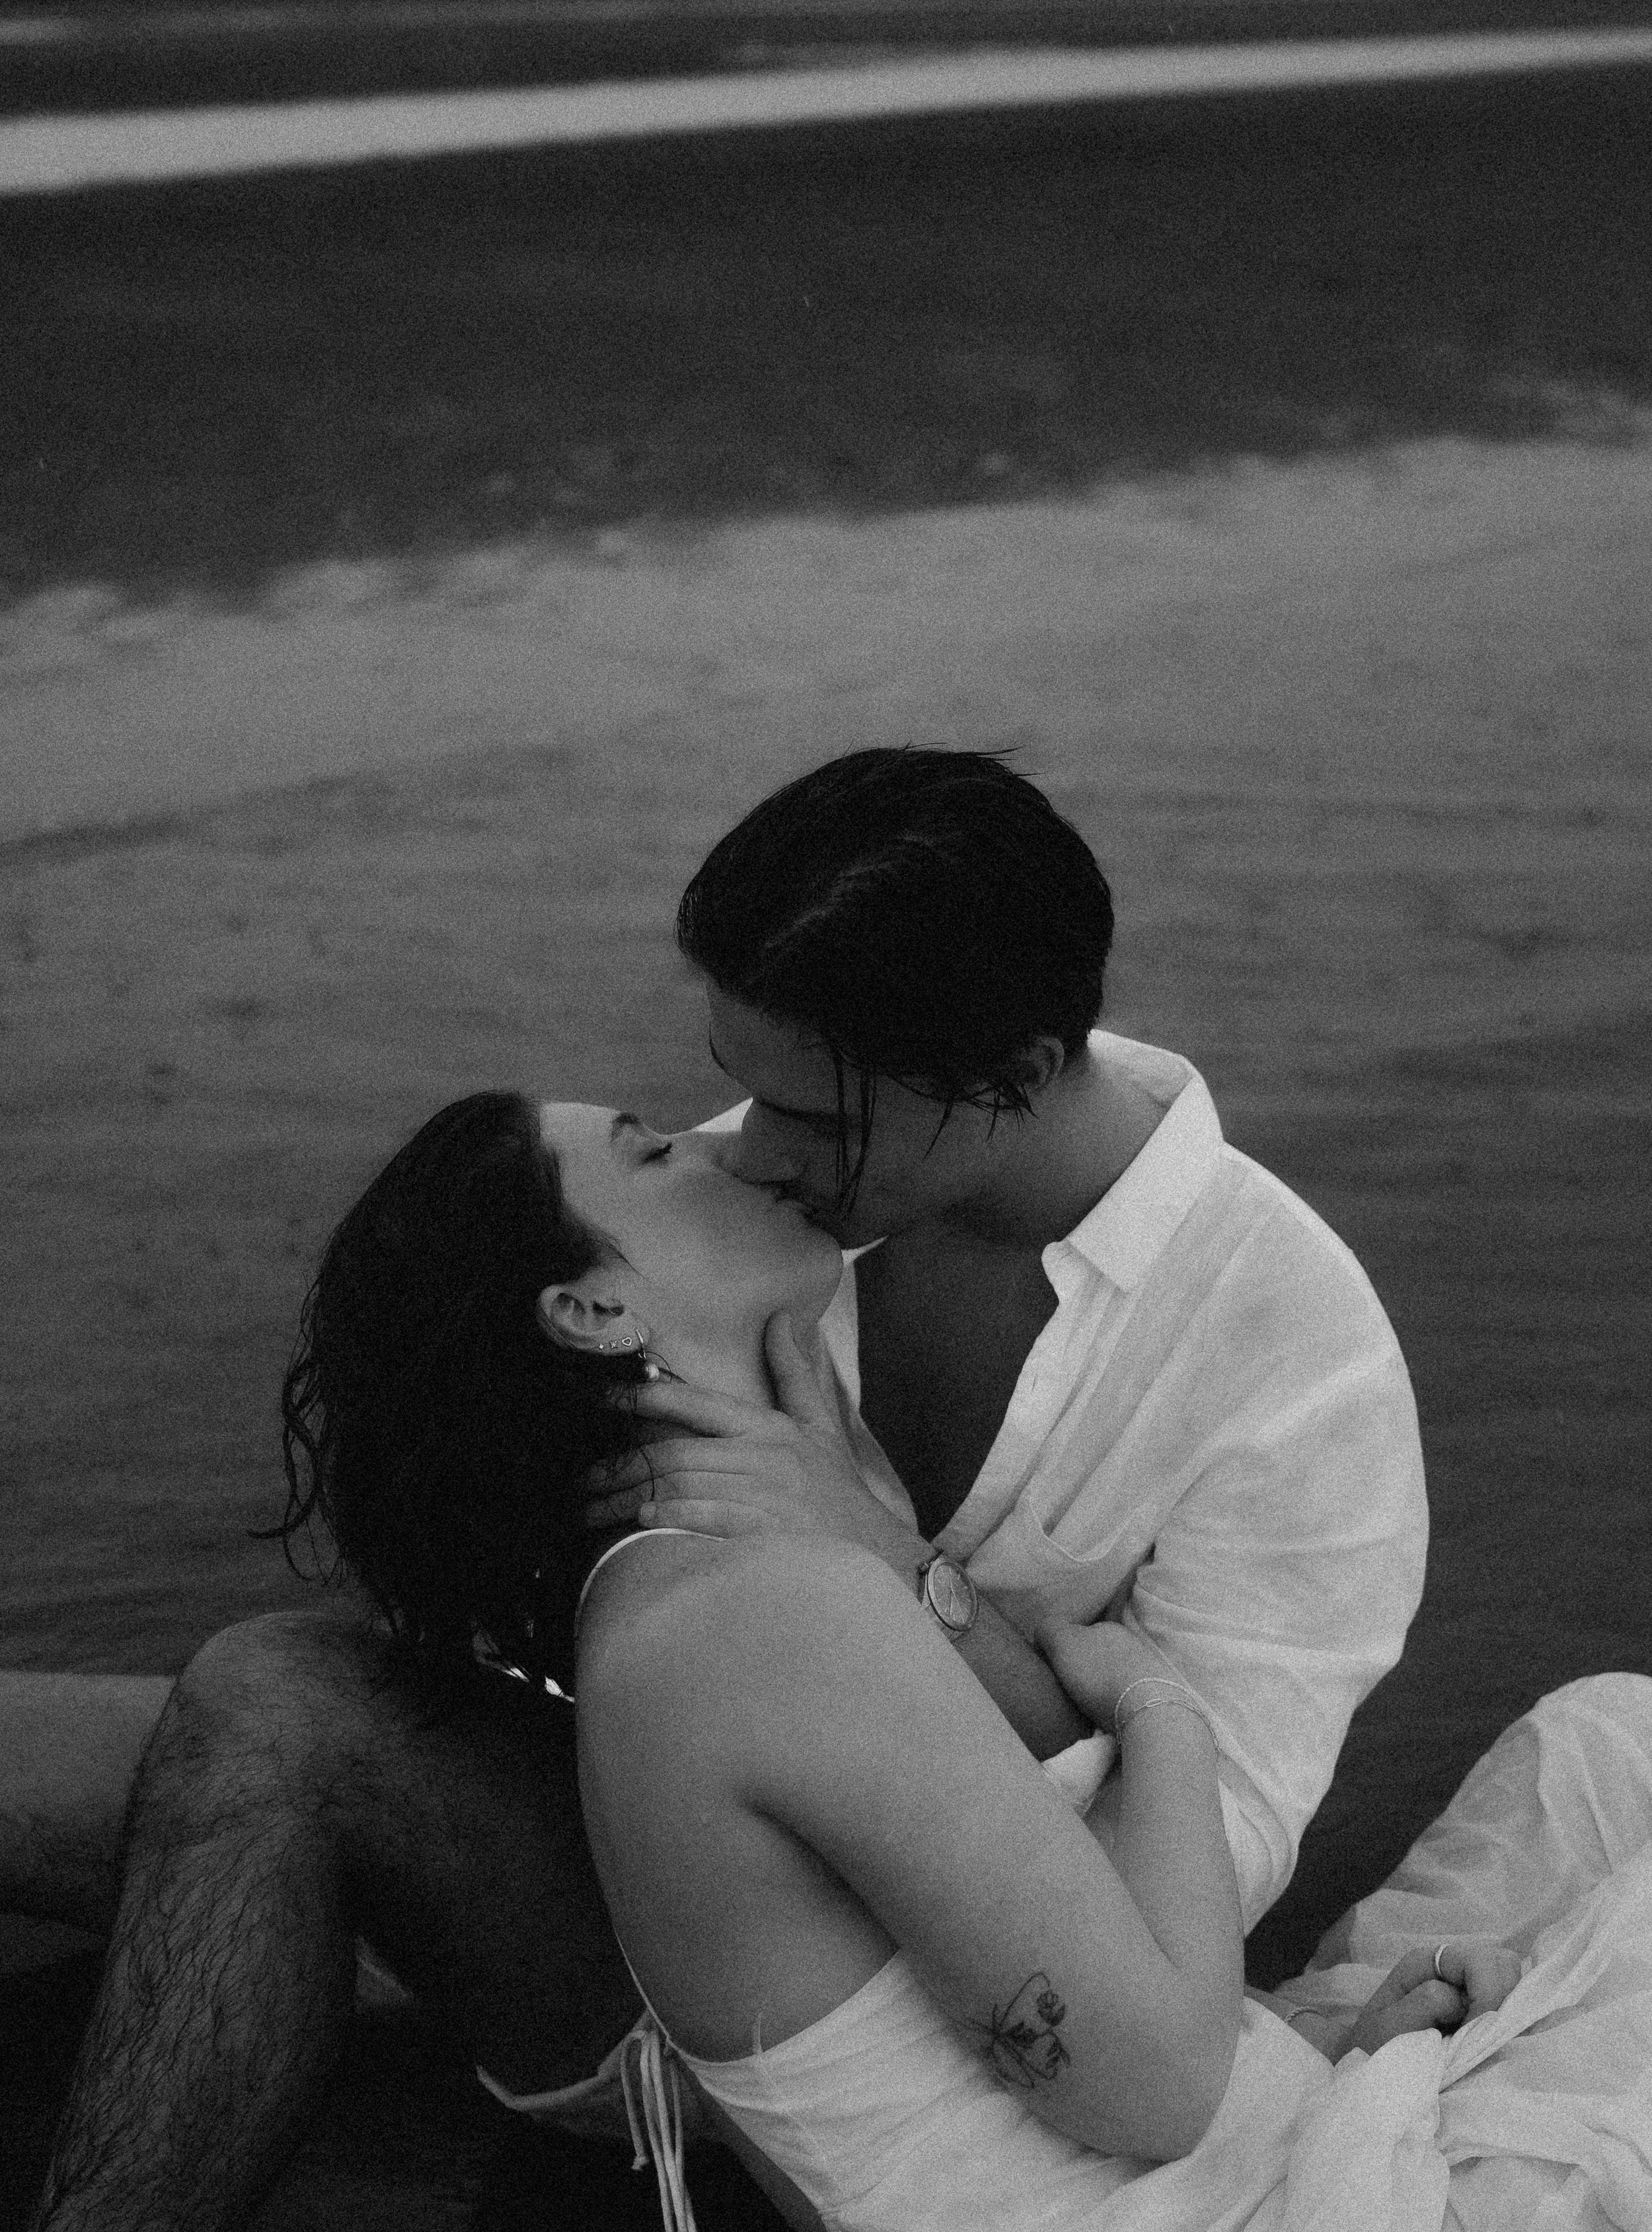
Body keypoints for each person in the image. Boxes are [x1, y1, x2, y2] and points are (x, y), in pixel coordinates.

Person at [21, 749, 1431, 2227]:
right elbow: (503, 1524)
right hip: (663, 1873)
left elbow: (1211, 1873)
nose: (747, 1147)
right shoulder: (752, 1209)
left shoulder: (1295, 1356)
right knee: (241, 1712)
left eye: (813, 1118)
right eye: (740, 1090)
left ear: (1013, 1079)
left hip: (961, 2023)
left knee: (269, 1713)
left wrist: (907, 1580)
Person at [59, 1088, 1652, 2232]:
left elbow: (980, 2064)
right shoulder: (758, 1616)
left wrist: (1311, 2056)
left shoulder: (688, 1592)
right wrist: (1158, 1710)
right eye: (653, 1153)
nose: (732, 1144)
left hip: (1193, 2153)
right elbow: (1150, 2091)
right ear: (591, 1308)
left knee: (1606, 1740)